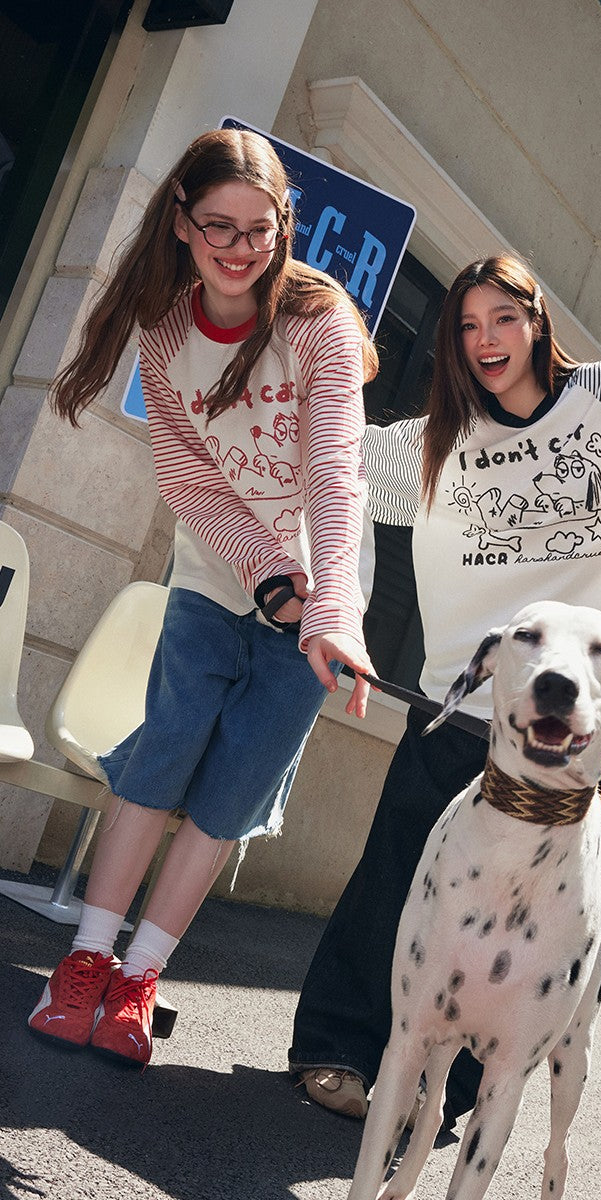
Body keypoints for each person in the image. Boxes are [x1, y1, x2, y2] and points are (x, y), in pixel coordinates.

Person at [289, 252, 601, 1122]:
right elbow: (337, 457)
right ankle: (335, 1047)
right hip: (458, 708)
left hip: (561, 744)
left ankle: (447, 1092)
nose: (486, 339)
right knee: (398, 880)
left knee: (522, 931)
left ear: (538, 321)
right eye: (466, 325)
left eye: (503, 317)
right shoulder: (439, 445)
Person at [28, 127, 377, 1066]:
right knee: (164, 754)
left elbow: (336, 476)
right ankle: (86, 960)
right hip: (220, 570)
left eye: (261, 230)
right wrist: (267, 576)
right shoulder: (165, 326)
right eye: (218, 225)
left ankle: (141, 976)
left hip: (326, 585)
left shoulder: (320, 324)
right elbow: (188, 476)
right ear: (181, 221)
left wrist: (329, 608)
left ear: (283, 229)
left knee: (234, 786)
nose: (239, 248)